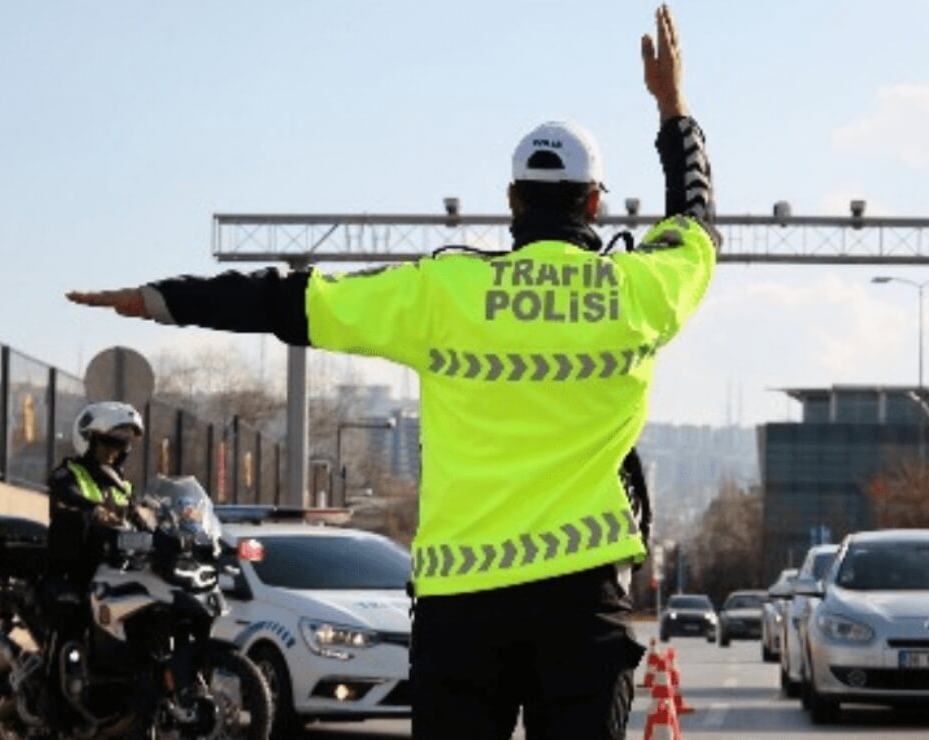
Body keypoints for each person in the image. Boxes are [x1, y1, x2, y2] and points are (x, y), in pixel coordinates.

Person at [67, 6, 713, 737]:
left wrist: (161, 299)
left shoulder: (443, 293)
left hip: (462, 608)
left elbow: (289, 300)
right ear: (594, 202)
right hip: (580, 602)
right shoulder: (636, 292)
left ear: (511, 202)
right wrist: (672, 106)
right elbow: (695, 222)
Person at [45, 401, 146, 647]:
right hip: (75, 569)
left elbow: (140, 520)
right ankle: (59, 664)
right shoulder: (69, 473)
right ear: (88, 440)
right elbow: (65, 492)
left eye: (121, 444)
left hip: (116, 570)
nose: (114, 451)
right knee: (70, 618)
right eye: (108, 442)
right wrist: (94, 509)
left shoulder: (123, 486)